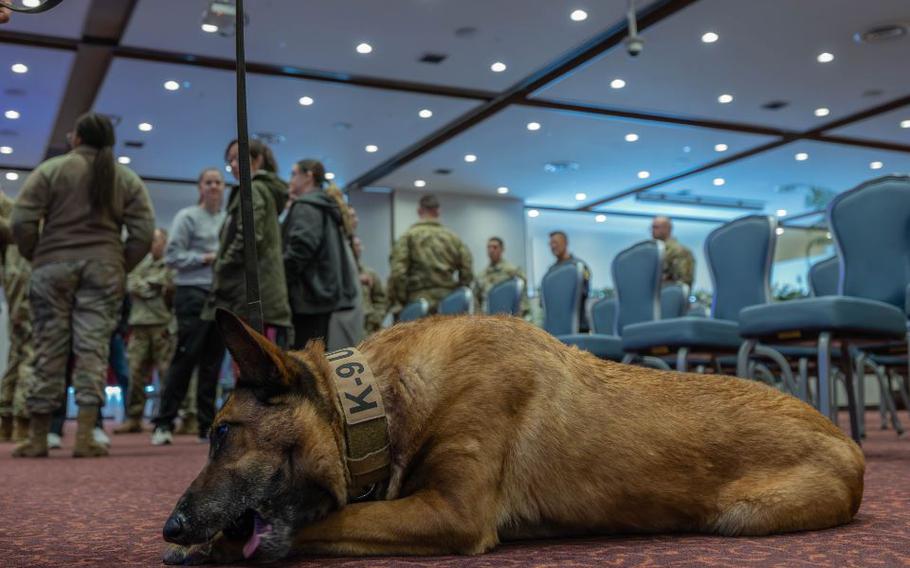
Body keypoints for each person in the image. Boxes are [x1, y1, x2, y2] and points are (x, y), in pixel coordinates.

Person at [11, 112, 155, 458]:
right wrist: (119, 263)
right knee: (93, 350)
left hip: (52, 267)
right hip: (103, 268)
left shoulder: (51, 170)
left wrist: (38, 254)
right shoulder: (125, 178)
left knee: (48, 348)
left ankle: (38, 438)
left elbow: (21, 219)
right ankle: (86, 435)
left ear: (77, 138)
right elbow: (144, 232)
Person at [151, 168, 227, 446]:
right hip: (192, 292)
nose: (214, 186)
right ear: (200, 187)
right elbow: (172, 257)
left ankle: (206, 425)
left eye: (218, 182)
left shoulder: (227, 220)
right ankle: (164, 423)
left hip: (220, 296)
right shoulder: (187, 217)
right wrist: (205, 258)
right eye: (209, 182)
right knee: (185, 359)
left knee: (212, 364)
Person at [282, 159, 358, 348]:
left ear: (308, 176)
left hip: (307, 295)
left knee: (305, 362)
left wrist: (281, 279)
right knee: (315, 358)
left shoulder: (307, 205)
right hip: (320, 295)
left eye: (293, 174)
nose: (290, 179)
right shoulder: (322, 205)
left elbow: (301, 249)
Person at [115, 228, 175, 434]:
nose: (154, 245)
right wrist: (152, 286)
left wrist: (146, 285)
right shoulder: (140, 264)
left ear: (165, 243)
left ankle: (168, 417)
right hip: (139, 327)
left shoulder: (171, 264)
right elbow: (130, 283)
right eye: (152, 241)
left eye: (158, 240)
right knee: (135, 373)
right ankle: (134, 417)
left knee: (167, 374)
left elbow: (168, 284)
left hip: (162, 326)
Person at [388, 194, 473, 315]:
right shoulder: (453, 238)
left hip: (418, 302)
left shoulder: (408, 236)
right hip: (448, 303)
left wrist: (403, 300)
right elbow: (467, 268)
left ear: (419, 210)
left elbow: (398, 273)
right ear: (438, 211)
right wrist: (458, 292)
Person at [0, 187, 34, 443]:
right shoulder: (21, 228)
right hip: (25, 298)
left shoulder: (10, 229)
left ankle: (6, 419)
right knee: (28, 358)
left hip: (16, 297)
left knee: (16, 357)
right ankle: (21, 421)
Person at [545, 231, 592, 332]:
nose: (553, 246)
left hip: (578, 325)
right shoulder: (550, 272)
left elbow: (582, 294)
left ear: (565, 243)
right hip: (555, 327)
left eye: (556, 242)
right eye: (550, 244)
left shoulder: (578, 267)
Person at [474, 236, 530, 317]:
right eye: (489, 247)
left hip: (510, 318)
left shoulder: (513, 271)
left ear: (502, 249)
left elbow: (523, 296)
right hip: (487, 319)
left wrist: (522, 314)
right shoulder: (481, 276)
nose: (491, 250)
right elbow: (477, 300)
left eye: (495, 247)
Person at [353, 236, 387, 336]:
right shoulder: (339, 275)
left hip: (370, 329)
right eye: (355, 245)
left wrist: (376, 317)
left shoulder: (370, 273)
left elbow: (381, 299)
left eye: (359, 245)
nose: (359, 248)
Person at [651, 216, 695, 288]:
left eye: (656, 227)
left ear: (667, 229)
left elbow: (684, 282)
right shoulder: (654, 250)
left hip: (668, 295)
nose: (652, 230)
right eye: (652, 227)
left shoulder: (680, 251)